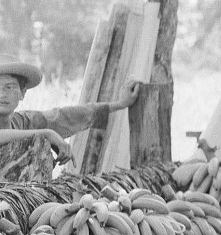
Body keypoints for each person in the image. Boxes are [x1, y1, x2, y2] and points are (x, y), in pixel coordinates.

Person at [0, 53, 142, 182]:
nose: (1, 94)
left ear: (22, 93)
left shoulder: (22, 121)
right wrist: (47, 134)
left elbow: (64, 116)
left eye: (9, 87)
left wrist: (120, 104)